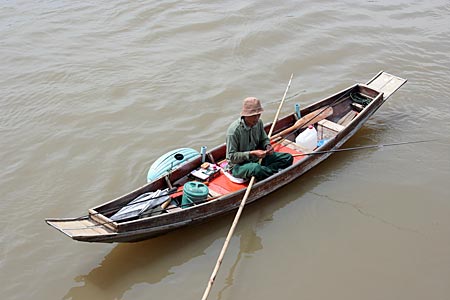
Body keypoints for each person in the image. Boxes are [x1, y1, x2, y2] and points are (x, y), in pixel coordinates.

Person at [225, 97, 293, 181]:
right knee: (256, 168)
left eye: (259, 115)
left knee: (287, 158)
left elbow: (264, 139)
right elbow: (231, 157)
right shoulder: (234, 131)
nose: (257, 118)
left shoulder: (258, 123)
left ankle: (265, 172)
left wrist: (267, 146)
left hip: (258, 159)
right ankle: (268, 172)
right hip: (238, 166)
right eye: (254, 116)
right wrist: (252, 153)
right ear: (246, 115)